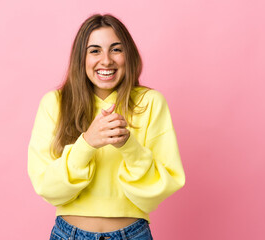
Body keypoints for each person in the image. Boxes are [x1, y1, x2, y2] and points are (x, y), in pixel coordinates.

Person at [28, 13, 185, 240]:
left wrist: (128, 145)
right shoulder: (55, 103)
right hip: (68, 234)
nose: (106, 60)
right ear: (80, 58)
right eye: (95, 51)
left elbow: (161, 187)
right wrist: (87, 144)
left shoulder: (150, 102)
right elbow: (47, 187)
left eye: (116, 49)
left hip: (133, 234)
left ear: (127, 55)